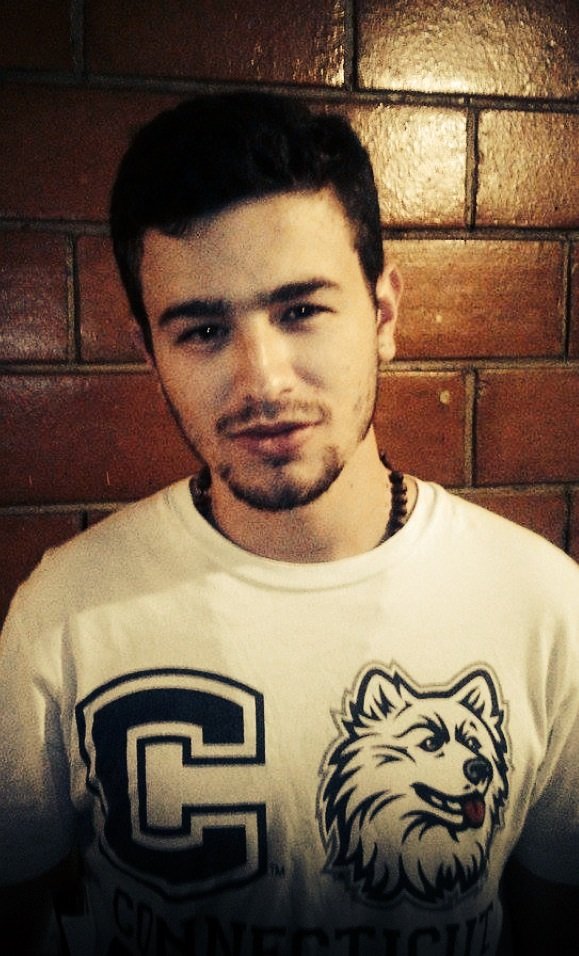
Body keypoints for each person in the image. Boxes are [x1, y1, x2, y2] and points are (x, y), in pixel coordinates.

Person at [0, 92, 577, 956]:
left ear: (383, 315)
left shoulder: (544, 607)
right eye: (202, 330)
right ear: (149, 352)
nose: (261, 380)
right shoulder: (66, 610)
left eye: (301, 311)